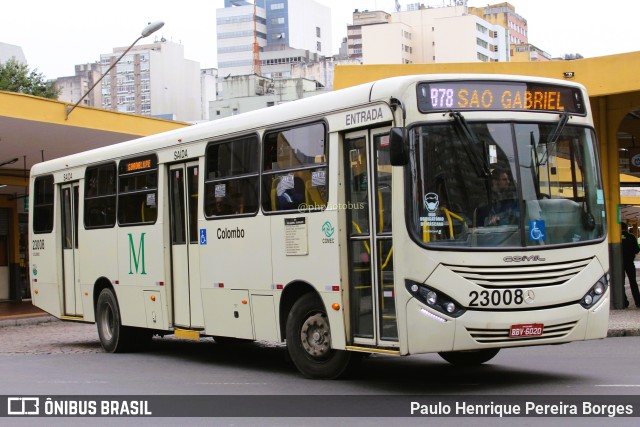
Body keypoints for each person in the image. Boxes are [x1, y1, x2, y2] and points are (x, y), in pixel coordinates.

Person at [620, 222, 640, 308]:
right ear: (627, 227)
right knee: (633, 282)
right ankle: (638, 302)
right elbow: (636, 250)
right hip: (630, 263)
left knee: (620, 283)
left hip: (619, 264)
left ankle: (624, 302)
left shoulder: (615, 238)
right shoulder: (631, 237)